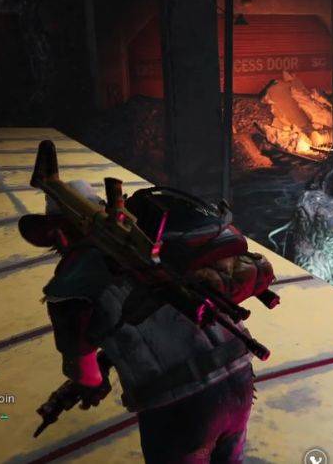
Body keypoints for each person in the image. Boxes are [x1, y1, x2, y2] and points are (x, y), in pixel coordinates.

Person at [19, 181, 275, 463]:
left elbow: (85, 373)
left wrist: (93, 382)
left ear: (58, 232)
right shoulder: (153, 239)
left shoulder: (69, 284)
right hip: (240, 377)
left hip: (181, 407)